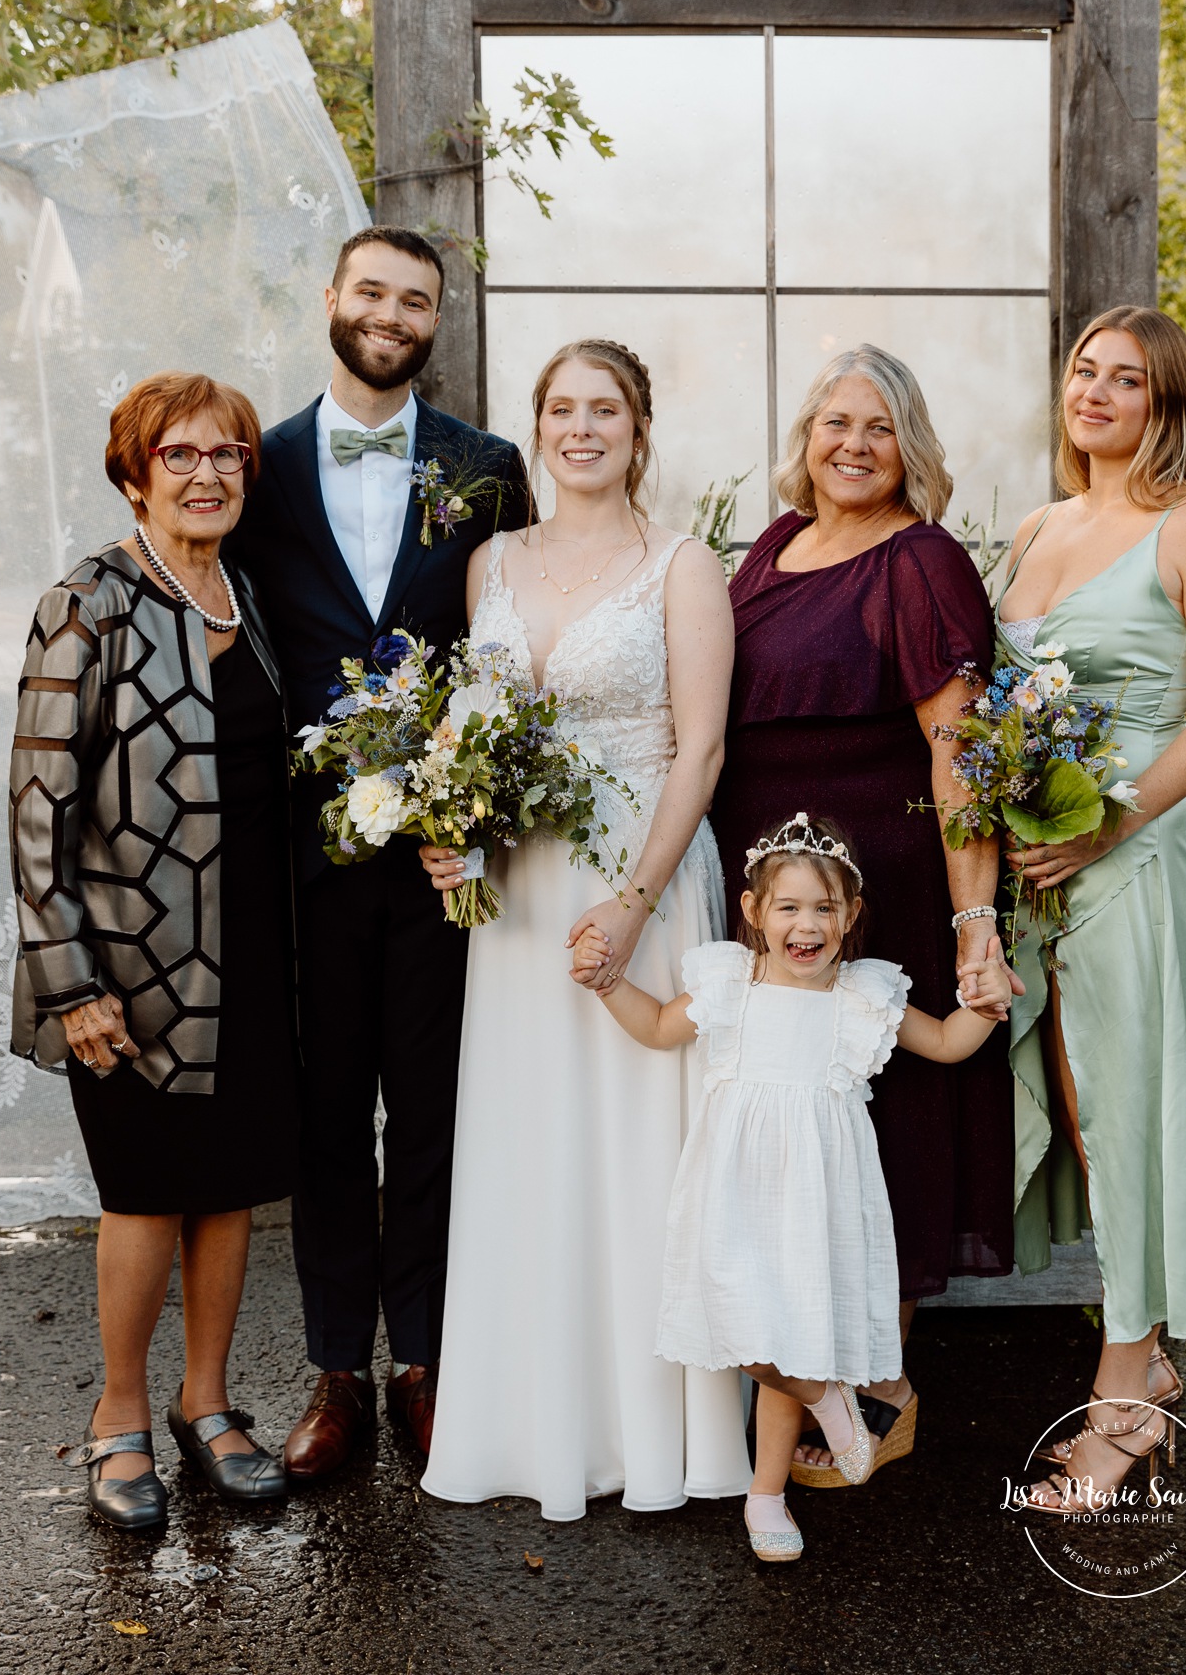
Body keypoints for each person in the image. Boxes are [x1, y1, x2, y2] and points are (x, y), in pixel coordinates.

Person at [419, 338, 753, 1521]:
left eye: (604, 408)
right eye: (561, 407)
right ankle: (529, 1420)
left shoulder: (683, 565)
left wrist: (634, 901)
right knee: (530, 1144)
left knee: (637, 1147)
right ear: (539, 425)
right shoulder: (490, 562)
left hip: (636, 877)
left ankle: (649, 1432)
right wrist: (447, 834)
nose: (580, 427)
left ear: (638, 428)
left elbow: (701, 750)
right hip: (516, 901)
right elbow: (465, 731)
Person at [223, 226, 528, 1479]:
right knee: (329, 1115)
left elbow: (511, 643)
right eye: (374, 292)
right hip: (306, 858)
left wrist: (483, 810)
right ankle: (338, 1365)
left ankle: (430, 1361)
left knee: (441, 1110)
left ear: (434, 320)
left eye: (416, 300)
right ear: (332, 299)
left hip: (447, 853)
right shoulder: (258, 463)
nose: (393, 314)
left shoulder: (487, 466)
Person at [710, 345, 1018, 1484]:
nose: (852, 444)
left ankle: (882, 1379)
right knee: (785, 1122)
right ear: (806, 436)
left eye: (879, 427)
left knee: (880, 1126)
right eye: (835, 422)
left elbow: (960, 753)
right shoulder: (773, 545)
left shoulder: (921, 559)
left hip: (874, 883)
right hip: (767, 883)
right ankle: (803, 1362)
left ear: (909, 447)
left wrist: (973, 921)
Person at [9, 372, 293, 1531]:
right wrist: (70, 983)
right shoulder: (87, 603)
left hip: (253, 952)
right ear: (135, 474)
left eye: (228, 454)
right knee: (143, 1193)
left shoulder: (248, 597)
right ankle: (118, 1411)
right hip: (129, 965)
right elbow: (39, 813)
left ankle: (205, 1403)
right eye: (180, 453)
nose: (207, 473)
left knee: (226, 1191)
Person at [577, 813, 1013, 1560]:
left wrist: (986, 1003)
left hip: (818, 1195)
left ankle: (766, 1493)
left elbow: (945, 1043)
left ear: (850, 916)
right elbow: (654, 1027)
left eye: (823, 908)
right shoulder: (730, 984)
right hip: (733, 1192)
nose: (805, 925)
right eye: (787, 907)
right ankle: (827, 1399)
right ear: (753, 911)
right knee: (731, 1322)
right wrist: (608, 982)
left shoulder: (860, 996)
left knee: (791, 1330)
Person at [995, 306, 1186, 1517]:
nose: (1095, 392)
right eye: (1084, 370)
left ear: (1167, 404)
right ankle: (1141, 1349)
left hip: (1132, 850)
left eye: (1128, 380)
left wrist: (1110, 821)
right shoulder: (1038, 525)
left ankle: (1127, 1401)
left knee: (1128, 1113)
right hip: (1038, 860)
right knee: (1069, 1100)